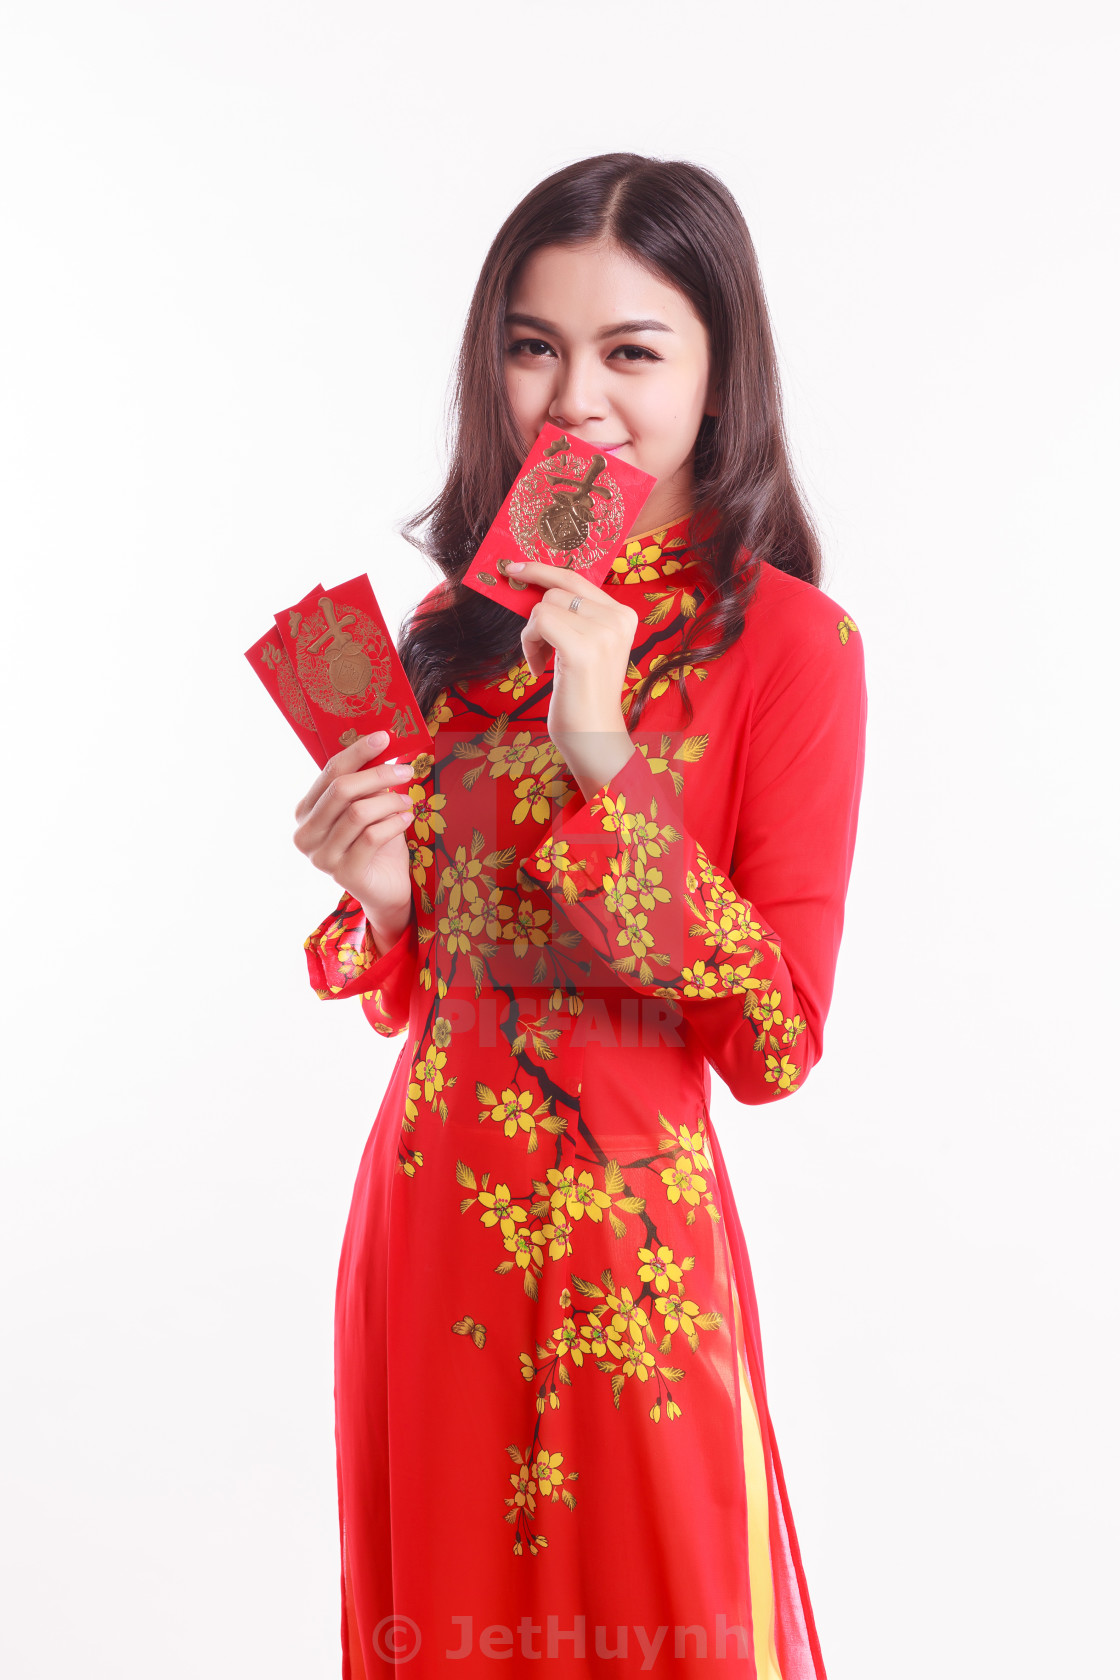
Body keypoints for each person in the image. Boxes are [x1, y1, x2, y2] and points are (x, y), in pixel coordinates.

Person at [292, 153, 866, 1679]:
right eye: (535, 343)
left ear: (721, 371)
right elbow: (428, 988)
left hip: (633, 1247)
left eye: (633, 349)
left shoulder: (792, 647)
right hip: (429, 1223)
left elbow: (777, 1042)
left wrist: (604, 747)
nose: (575, 398)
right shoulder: (448, 633)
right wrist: (388, 895)